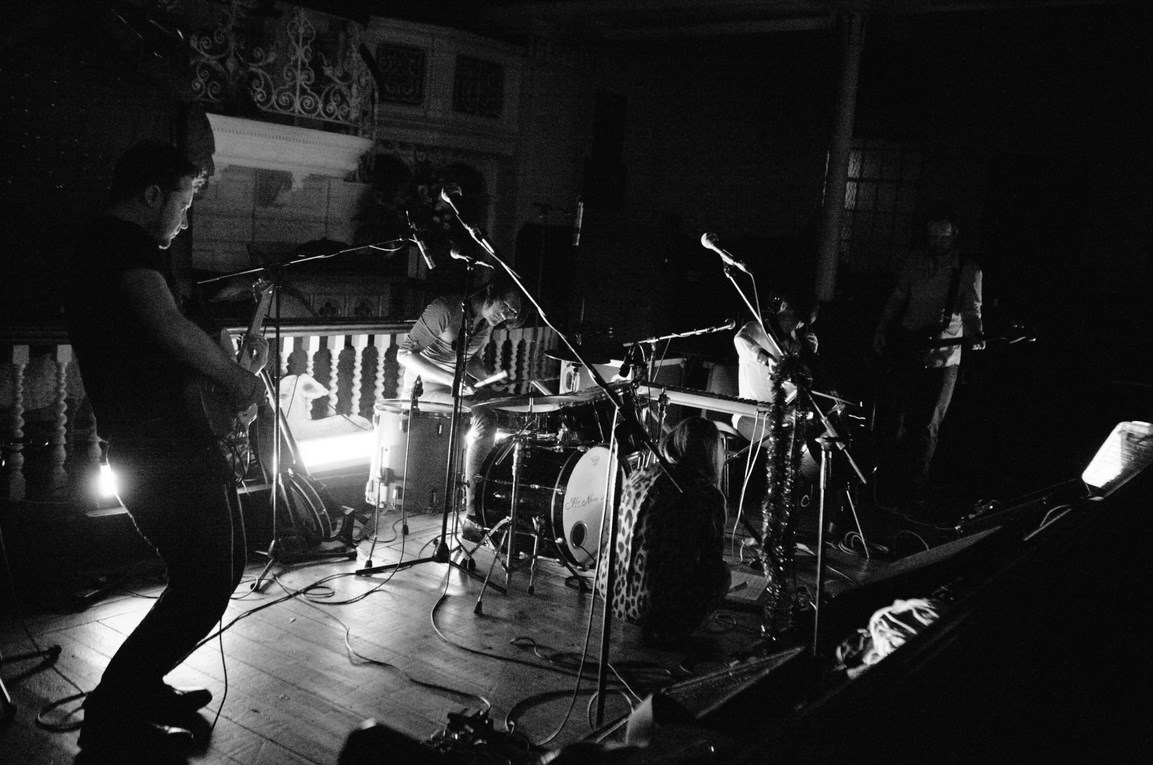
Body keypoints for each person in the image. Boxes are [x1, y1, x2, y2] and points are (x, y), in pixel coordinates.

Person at [65, 141, 268, 757]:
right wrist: (235, 379)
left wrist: (231, 365)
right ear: (152, 194)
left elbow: (168, 346)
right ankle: (113, 706)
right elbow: (168, 327)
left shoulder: (124, 250)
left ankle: (139, 687)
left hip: (165, 441)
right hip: (156, 446)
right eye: (183, 201)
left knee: (211, 571)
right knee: (207, 578)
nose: (184, 217)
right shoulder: (118, 244)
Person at [871, 207, 984, 515]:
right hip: (908, 351)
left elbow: (972, 310)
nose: (937, 241)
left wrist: (976, 334)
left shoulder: (968, 271)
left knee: (927, 428)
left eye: (943, 236)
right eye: (932, 236)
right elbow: (898, 297)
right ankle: (889, 488)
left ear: (954, 235)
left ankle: (915, 491)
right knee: (897, 423)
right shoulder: (915, 262)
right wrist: (882, 328)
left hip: (944, 360)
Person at [396, 277, 523, 539]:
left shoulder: (485, 323)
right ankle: (473, 514)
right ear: (491, 292)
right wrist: (452, 379)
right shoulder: (445, 309)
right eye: (506, 307)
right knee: (484, 418)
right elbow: (405, 354)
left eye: (512, 313)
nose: (506, 316)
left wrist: (488, 377)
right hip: (423, 389)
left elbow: (468, 359)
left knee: (501, 406)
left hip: (451, 387)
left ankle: (495, 502)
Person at [596, 417, 730, 645]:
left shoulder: (639, 474)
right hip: (655, 605)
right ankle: (673, 627)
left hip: (610, 592)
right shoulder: (706, 493)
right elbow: (711, 561)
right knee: (722, 574)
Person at [731, 289, 821, 443]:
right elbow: (740, 340)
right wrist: (766, 358)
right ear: (784, 306)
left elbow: (796, 387)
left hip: (784, 417)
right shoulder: (757, 328)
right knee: (796, 447)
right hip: (752, 415)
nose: (797, 325)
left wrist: (808, 358)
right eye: (795, 317)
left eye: (802, 322)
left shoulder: (795, 343)